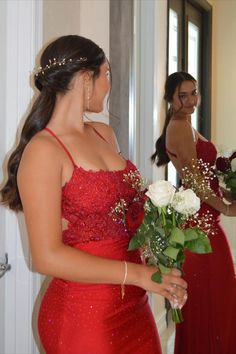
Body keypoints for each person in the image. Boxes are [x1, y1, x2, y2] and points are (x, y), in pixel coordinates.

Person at [0, 36, 187, 354]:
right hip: (84, 315)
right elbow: (47, 256)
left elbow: (125, 217)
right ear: (87, 77)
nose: (108, 85)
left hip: (134, 305)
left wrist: (159, 264)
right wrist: (139, 275)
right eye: (107, 74)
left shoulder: (105, 133)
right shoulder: (44, 150)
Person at [151, 71, 236, 354]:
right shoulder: (178, 127)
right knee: (215, 298)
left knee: (216, 298)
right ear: (170, 99)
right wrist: (225, 206)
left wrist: (225, 190)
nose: (190, 101)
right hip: (199, 225)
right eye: (183, 95)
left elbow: (202, 177)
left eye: (194, 93)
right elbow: (196, 181)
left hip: (204, 220)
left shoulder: (186, 124)